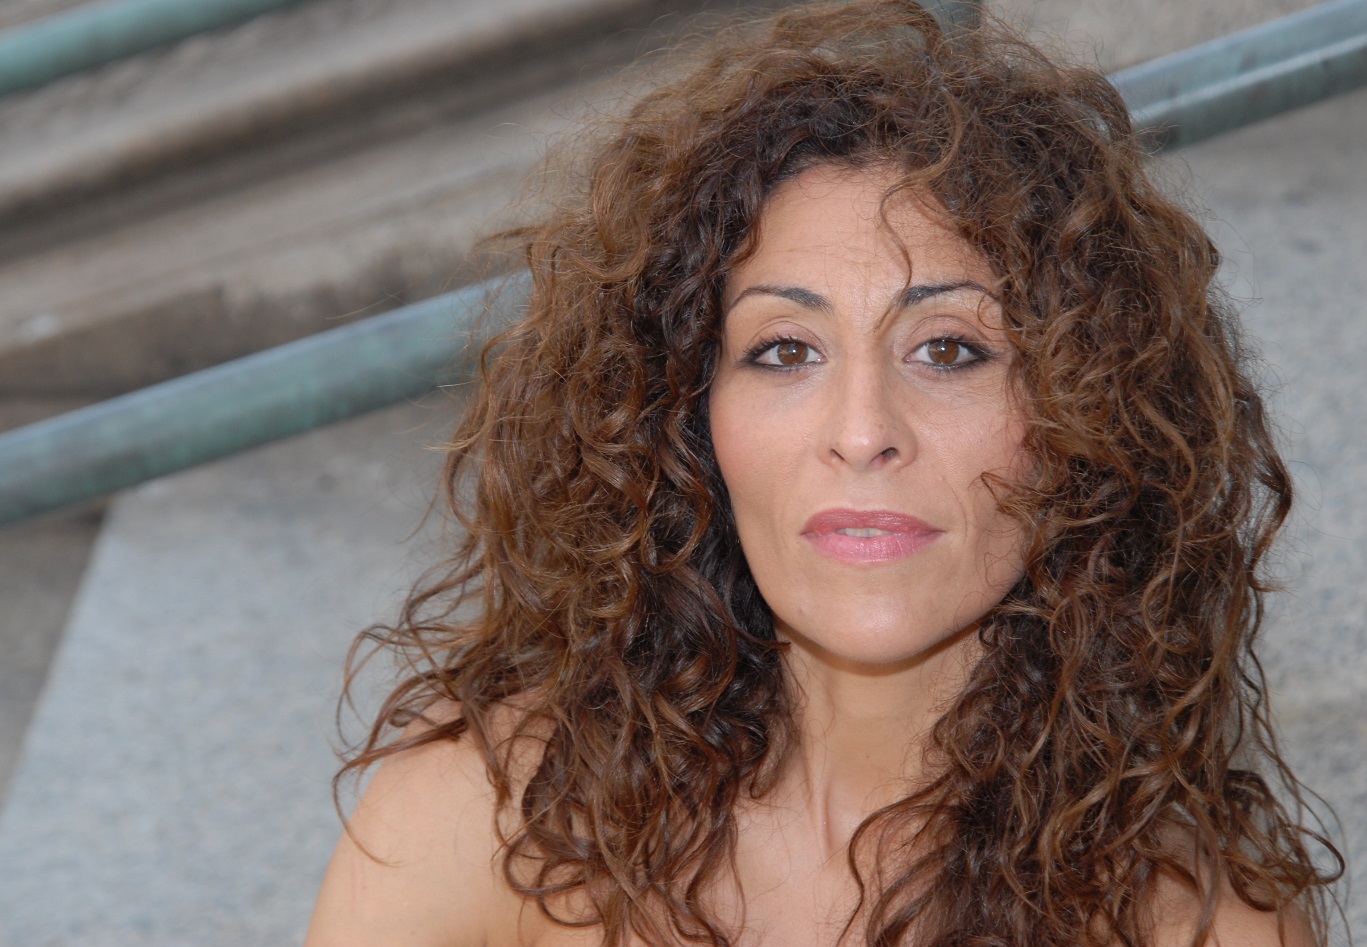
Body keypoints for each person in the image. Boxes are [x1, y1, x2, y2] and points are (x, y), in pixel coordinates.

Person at [305, 1, 1342, 944]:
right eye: (784, 350)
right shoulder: (486, 817)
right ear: (684, 418)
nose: (860, 430)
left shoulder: (1200, 923)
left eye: (948, 349)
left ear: (1088, 412)